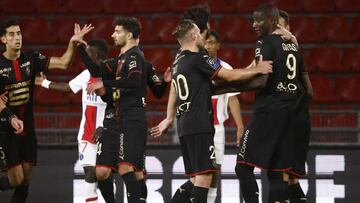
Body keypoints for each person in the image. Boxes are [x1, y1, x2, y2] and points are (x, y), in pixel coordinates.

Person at [151, 19, 272, 203]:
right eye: (199, 33)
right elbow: (229, 75)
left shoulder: (177, 61)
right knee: (205, 176)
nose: (201, 37)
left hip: (184, 124)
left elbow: (174, 90)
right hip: (199, 124)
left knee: (194, 179)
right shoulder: (199, 58)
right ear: (192, 35)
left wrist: (169, 117)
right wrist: (257, 69)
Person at [0, 18, 93, 202]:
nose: (17, 37)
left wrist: (72, 43)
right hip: (5, 129)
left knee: (25, 181)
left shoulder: (32, 58)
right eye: (12, 34)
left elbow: (64, 63)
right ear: (3, 40)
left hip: (28, 128)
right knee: (17, 179)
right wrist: (10, 118)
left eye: (19, 33)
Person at [76, 16, 165, 203]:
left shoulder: (135, 57)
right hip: (113, 120)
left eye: (117, 31)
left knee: (129, 169)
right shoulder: (119, 60)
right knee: (101, 171)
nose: (112, 35)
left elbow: (139, 83)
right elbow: (95, 71)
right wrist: (80, 47)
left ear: (129, 34)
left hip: (131, 120)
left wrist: (165, 81)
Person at [233, 3, 305, 202]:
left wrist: (232, 86)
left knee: (242, 166)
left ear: (272, 21)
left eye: (259, 20)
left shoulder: (265, 42)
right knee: (276, 172)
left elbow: (262, 80)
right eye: (253, 20)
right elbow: (304, 85)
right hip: (288, 112)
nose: (254, 24)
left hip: (268, 112)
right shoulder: (293, 46)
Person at [34, 38, 115, 203]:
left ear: (98, 56)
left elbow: (117, 104)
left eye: (89, 52)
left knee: (104, 174)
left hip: (107, 132)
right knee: (90, 173)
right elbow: (68, 87)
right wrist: (44, 82)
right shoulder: (86, 74)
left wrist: (104, 126)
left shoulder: (111, 75)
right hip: (86, 134)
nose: (85, 56)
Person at [204, 30, 244, 203]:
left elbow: (232, 99)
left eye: (212, 42)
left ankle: (210, 200)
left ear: (219, 45)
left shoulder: (226, 69)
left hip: (216, 127)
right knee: (198, 168)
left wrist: (240, 126)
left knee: (214, 167)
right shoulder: (195, 65)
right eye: (205, 42)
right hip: (197, 125)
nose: (208, 46)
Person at [278, 10, 313, 203]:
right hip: (302, 118)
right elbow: (308, 91)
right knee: (292, 179)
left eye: (281, 26)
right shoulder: (296, 52)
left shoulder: (278, 53)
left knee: (283, 175)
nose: (277, 30)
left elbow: (308, 91)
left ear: (289, 28)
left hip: (290, 118)